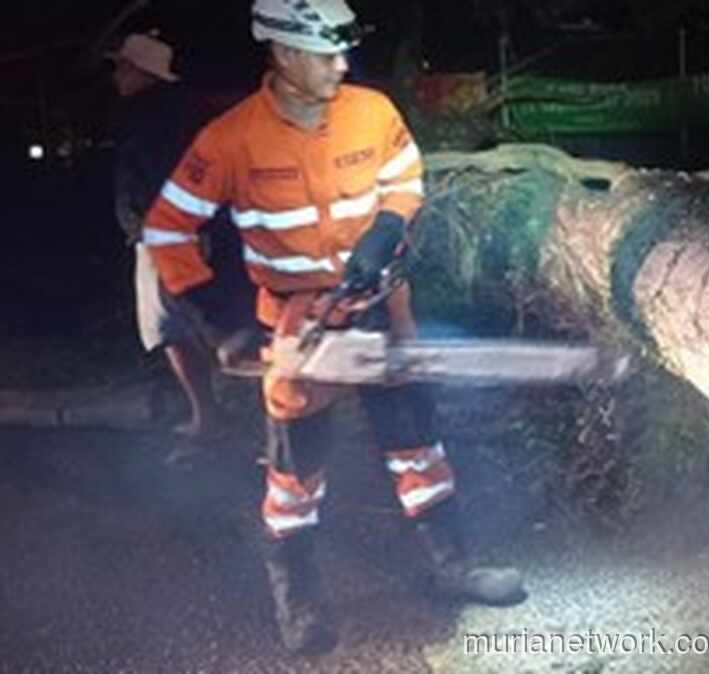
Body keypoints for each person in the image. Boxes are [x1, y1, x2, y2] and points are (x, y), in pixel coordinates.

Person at [141, 0, 525, 654]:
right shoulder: (231, 138)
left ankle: (452, 567)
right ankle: (300, 600)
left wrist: (384, 232)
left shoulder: (371, 112)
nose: (342, 65)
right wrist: (218, 321)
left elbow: (404, 178)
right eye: (326, 55)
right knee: (296, 475)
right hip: (296, 322)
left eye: (344, 52)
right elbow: (167, 228)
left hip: (378, 306)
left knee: (417, 445)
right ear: (285, 55)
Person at [110, 33, 223, 442]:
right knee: (196, 323)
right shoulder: (177, 111)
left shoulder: (148, 117)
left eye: (123, 66)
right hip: (181, 232)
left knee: (174, 327)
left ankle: (208, 419)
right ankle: (216, 414)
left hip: (165, 237)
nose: (117, 75)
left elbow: (154, 180)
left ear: (141, 72)